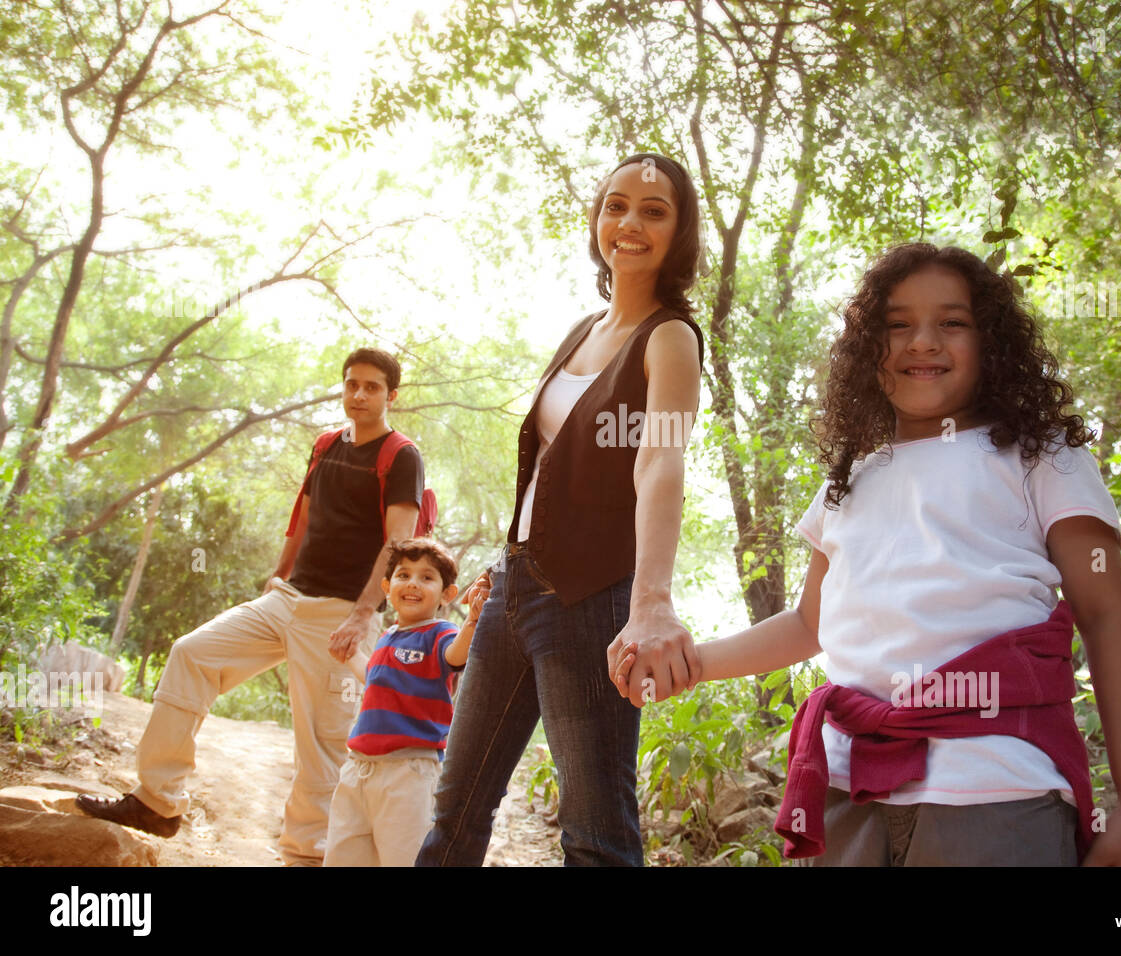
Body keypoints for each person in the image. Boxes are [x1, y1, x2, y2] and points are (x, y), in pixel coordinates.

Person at [616, 243, 1121, 866]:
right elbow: (808, 626)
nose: (922, 341)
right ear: (866, 352)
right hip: (851, 794)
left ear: (993, 343)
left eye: (952, 323)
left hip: (997, 792)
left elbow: (1105, 616)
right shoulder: (848, 482)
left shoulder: (1043, 455)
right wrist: (690, 664)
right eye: (897, 325)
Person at [416, 153, 705, 867]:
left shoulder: (670, 338)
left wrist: (652, 603)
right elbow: (549, 465)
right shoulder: (580, 330)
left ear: (679, 232)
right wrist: (502, 566)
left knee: (595, 832)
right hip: (513, 590)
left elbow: (660, 460)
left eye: (653, 209)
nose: (629, 222)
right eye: (615, 204)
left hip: (589, 600)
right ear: (597, 219)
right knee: (456, 805)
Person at [77, 348, 425, 866]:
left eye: (371, 387)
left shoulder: (401, 456)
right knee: (192, 654)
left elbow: (399, 544)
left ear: (390, 396)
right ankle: (158, 802)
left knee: (322, 745)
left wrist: (360, 615)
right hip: (287, 598)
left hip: (340, 614)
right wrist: (279, 575)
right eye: (351, 384)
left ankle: (306, 856)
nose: (358, 394)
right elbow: (303, 517)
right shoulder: (327, 444)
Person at [323, 538, 489, 867]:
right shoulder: (388, 636)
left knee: (404, 858)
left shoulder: (441, 632)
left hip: (409, 772)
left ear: (447, 595)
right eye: (403, 575)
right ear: (387, 587)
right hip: (358, 769)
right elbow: (373, 677)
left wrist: (472, 622)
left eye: (426, 577)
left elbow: (456, 656)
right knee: (344, 856)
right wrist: (349, 654)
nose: (412, 583)